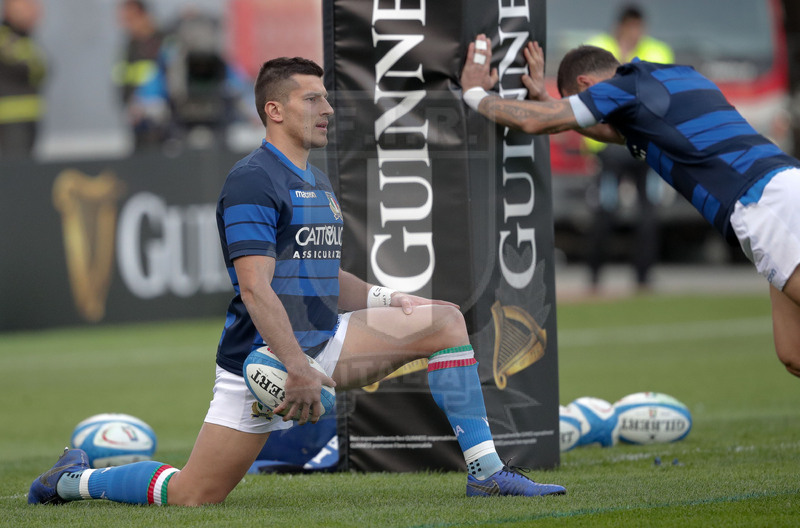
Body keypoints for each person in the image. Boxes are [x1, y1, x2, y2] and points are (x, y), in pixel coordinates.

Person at [28, 57, 566, 506]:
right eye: (313, 99)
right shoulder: (251, 180)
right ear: (275, 110)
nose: (328, 108)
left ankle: (486, 473)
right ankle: (73, 481)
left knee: (444, 320)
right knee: (194, 495)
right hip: (264, 362)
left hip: (326, 341)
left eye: (327, 98)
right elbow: (256, 288)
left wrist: (387, 298)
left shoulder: (317, 179)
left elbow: (323, 273)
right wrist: (296, 368)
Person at [460, 36, 800, 377]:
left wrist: (476, 94)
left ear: (586, 85)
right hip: (783, 183)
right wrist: (550, 101)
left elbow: (536, 122)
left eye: (578, 103)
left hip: (762, 202)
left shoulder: (624, 88)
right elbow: (618, 132)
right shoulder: (674, 76)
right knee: (792, 351)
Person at [583, 4, 674, 291]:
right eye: (630, 26)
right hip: (609, 147)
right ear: (620, 26)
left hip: (645, 144)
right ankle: (595, 275)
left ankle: (643, 276)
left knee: (648, 211)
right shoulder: (599, 47)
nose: (635, 32)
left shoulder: (658, 51)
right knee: (605, 209)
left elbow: (659, 94)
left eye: (639, 27)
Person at [114, 0, 170, 150]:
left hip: (166, 127)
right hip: (139, 125)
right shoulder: (130, 47)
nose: (126, 25)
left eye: (130, 20)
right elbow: (122, 81)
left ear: (144, 16)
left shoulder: (164, 41)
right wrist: (129, 105)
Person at [0, 0, 45, 158]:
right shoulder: (5, 38)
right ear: (8, 9)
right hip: (11, 118)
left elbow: (43, 69)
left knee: (26, 170)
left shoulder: (25, 39)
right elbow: (31, 69)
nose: (32, 9)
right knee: (16, 172)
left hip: (28, 117)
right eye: (25, 5)